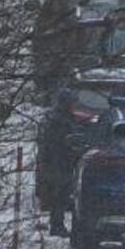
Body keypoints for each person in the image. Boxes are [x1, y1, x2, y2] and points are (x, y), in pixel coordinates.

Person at [40, 89, 78, 237]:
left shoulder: (64, 118)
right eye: (73, 102)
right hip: (59, 162)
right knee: (59, 195)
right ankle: (56, 225)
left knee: (61, 195)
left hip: (63, 161)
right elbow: (58, 143)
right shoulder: (59, 120)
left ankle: (57, 223)